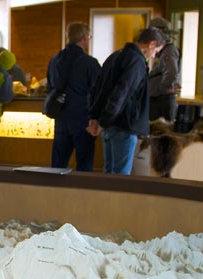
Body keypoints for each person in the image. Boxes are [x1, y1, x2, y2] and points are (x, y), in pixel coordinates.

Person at [88, 27, 165, 175]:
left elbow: (99, 88)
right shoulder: (136, 61)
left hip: (109, 124)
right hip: (124, 125)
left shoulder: (115, 56)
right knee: (121, 176)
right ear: (151, 44)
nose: (154, 56)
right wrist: (103, 121)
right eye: (156, 51)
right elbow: (122, 93)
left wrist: (96, 118)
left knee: (109, 173)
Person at [47, 22, 101, 172]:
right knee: (84, 164)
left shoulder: (54, 60)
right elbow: (99, 91)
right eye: (88, 37)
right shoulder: (89, 63)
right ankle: (81, 194)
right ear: (84, 38)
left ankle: (55, 193)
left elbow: (50, 87)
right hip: (83, 118)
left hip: (61, 117)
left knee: (58, 164)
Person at [148, 17, 181, 121]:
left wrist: (163, 89)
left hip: (162, 100)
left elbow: (171, 73)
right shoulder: (161, 52)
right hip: (157, 99)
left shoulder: (169, 51)